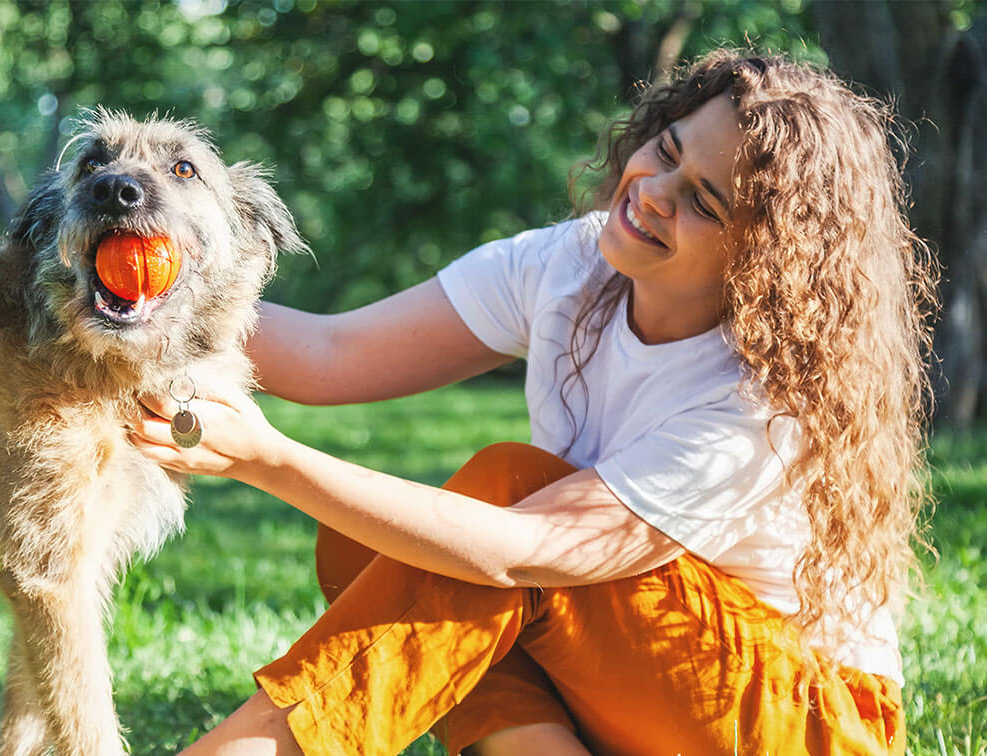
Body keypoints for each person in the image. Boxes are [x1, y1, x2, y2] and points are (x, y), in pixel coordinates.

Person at [131, 50, 936, 755]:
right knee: (367, 549)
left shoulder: (760, 401)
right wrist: (141, 296)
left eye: (705, 201)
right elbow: (330, 354)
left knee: (503, 493)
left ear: (766, 259)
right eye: (665, 150)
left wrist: (269, 458)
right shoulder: (576, 262)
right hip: (648, 681)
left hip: (807, 720)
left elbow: (527, 546)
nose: (653, 191)